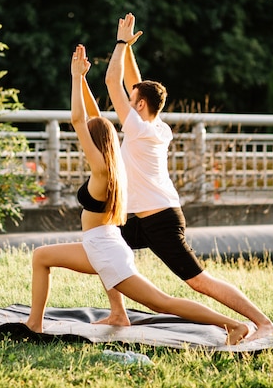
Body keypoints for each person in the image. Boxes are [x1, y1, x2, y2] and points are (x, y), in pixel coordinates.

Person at [25, 44, 250, 345]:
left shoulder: (103, 170)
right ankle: (37, 323)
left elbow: (80, 120)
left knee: (162, 303)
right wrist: (84, 80)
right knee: (41, 256)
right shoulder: (115, 159)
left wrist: (76, 78)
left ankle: (233, 325)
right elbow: (91, 118)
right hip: (101, 244)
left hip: (106, 249)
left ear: (94, 144)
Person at [103, 13, 273, 341]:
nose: (126, 103)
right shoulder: (157, 125)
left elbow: (113, 83)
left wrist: (118, 44)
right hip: (141, 217)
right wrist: (127, 49)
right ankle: (118, 312)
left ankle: (262, 322)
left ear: (140, 106)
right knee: (103, 242)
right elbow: (132, 84)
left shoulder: (140, 130)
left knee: (199, 281)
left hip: (161, 220)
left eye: (132, 102)